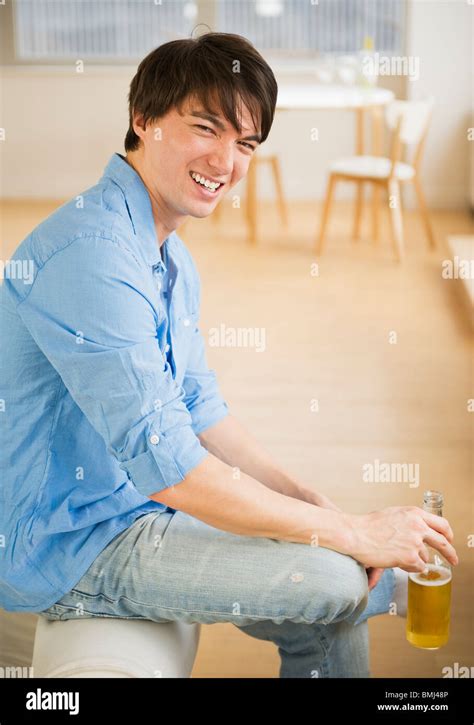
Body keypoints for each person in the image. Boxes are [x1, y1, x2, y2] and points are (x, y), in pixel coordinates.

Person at [0, 32, 458, 678]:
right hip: (75, 546)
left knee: (344, 571)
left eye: (245, 143)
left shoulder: (168, 255)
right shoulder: (92, 256)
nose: (227, 160)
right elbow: (173, 470)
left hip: (134, 510)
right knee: (340, 581)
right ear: (143, 119)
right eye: (206, 128)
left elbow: (199, 409)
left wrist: (318, 506)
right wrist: (353, 533)